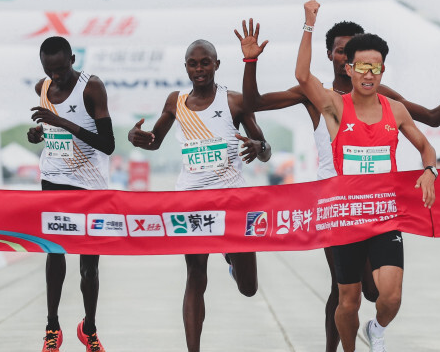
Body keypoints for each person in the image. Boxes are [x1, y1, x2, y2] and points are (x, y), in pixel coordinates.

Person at [237, 14, 440, 352]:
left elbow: (432, 119)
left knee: (375, 292)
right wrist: (251, 60)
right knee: (343, 291)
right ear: (333, 56)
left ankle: (373, 329)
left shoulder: (383, 96)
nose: (349, 59)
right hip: (335, 203)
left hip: (378, 204)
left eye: (359, 54)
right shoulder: (318, 98)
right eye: (343, 52)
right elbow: (252, 103)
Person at [294, 0, 436, 351]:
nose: (369, 74)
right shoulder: (334, 107)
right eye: (362, 67)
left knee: (390, 297)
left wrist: (430, 170)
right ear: (350, 68)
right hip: (345, 216)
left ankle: (377, 328)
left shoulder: (396, 110)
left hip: (385, 215)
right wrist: (309, 25)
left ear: (382, 70)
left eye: (376, 67)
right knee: (348, 301)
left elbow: (425, 146)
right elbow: (302, 76)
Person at [127, 38, 271, 352]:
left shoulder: (234, 102)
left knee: (249, 288)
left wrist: (258, 147)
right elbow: (153, 141)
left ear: (217, 65)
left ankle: (233, 260)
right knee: (195, 275)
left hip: (232, 202)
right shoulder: (175, 102)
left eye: (205, 62)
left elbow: (264, 150)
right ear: (186, 68)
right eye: (193, 64)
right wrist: (135, 138)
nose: (199, 69)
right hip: (191, 200)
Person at [27, 36, 114, 352]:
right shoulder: (43, 87)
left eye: (62, 69)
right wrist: (40, 134)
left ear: (73, 59)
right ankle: (52, 328)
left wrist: (60, 121)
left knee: (89, 265)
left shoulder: (92, 88)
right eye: (50, 70)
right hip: (53, 179)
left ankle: (88, 328)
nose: (56, 76)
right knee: (54, 253)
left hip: (90, 184)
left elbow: (108, 144)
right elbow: (50, 133)